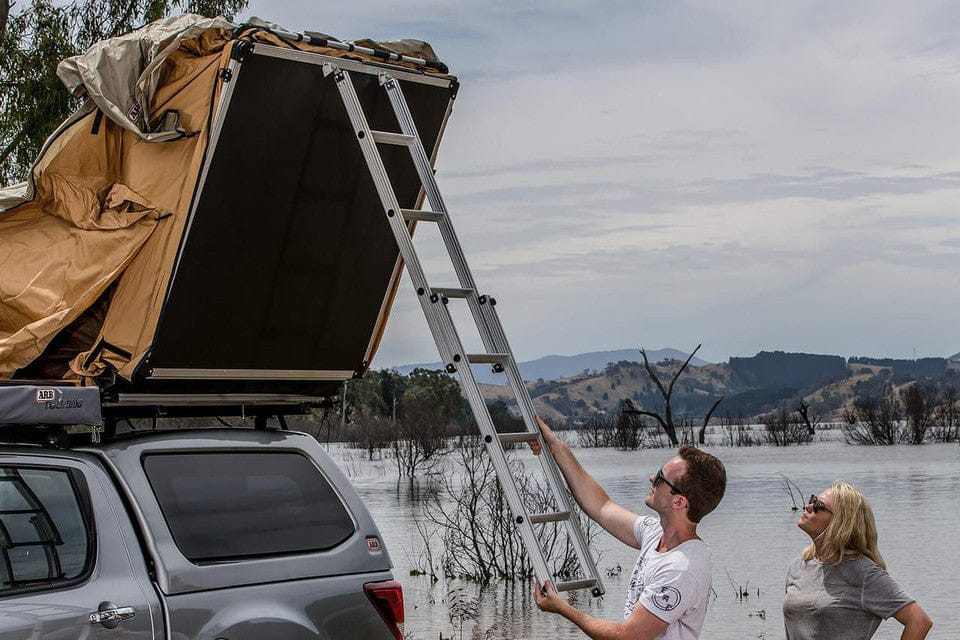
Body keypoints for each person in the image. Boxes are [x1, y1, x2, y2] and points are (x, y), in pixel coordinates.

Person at [530, 416, 726, 640]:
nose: (652, 478)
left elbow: (628, 636)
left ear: (679, 502)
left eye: (661, 478)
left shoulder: (682, 569)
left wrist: (562, 608)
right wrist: (554, 445)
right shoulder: (654, 533)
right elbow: (601, 506)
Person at [784, 482, 932, 640]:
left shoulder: (862, 572)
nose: (808, 506)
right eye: (812, 499)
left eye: (818, 505)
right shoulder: (799, 565)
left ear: (840, 522)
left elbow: (919, 621)